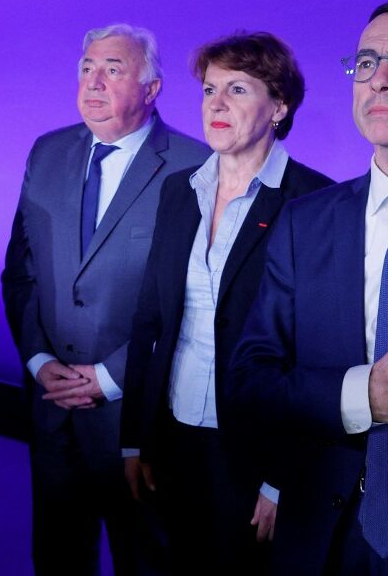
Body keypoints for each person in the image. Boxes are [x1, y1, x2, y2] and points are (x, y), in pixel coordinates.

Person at [1, 23, 211, 575]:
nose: (93, 82)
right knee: (57, 557)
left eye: (113, 70)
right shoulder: (47, 151)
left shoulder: (196, 166)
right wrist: (38, 360)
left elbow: (194, 300)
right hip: (52, 411)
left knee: (143, 558)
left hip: (137, 423)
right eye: (86, 68)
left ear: (152, 88)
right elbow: (21, 272)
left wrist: (110, 377)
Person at [121, 31, 333, 573]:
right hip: (172, 432)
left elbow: (318, 354)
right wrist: (133, 441)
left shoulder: (315, 202)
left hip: (254, 449)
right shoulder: (179, 190)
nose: (215, 104)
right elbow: (150, 319)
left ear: (279, 106)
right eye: (209, 90)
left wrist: (281, 478)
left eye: (237, 89)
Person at [226, 3, 388, 575]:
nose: (380, 79)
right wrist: (361, 397)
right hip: (325, 526)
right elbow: (251, 379)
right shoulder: (306, 221)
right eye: (367, 61)